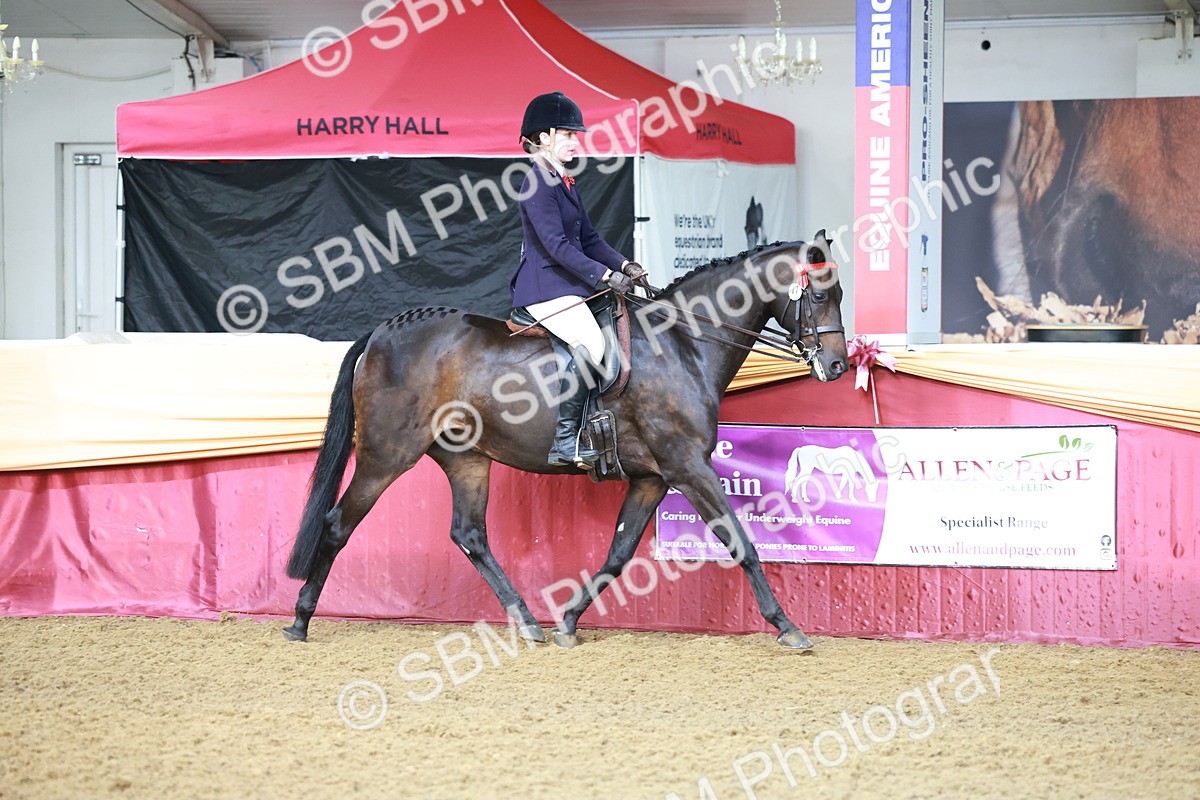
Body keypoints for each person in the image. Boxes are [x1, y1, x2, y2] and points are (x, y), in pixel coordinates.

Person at [510, 91, 646, 469]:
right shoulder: (536, 183)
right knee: (590, 341)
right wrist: (604, 275)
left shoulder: (567, 182)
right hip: (544, 287)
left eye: (575, 135)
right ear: (544, 137)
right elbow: (554, 246)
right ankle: (565, 440)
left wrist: (625, 265)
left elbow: (589, 239)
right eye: (568, 134)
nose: (576, 141)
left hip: (569, 285)